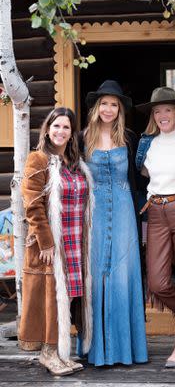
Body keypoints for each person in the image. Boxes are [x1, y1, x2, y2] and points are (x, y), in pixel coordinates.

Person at [19, 107, 94, 376]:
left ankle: (62, 352)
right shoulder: (38, 160)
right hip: (50, 244)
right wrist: (46, 242)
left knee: (68, 296)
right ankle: (48, 353)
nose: (60, 131)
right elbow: (33, 205)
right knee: (51, 297)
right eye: (56, 126)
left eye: (66, 127)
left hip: (74, 241)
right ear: (47, 129)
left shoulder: (75, 163)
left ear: (72, 132)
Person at [81, 80, 148, 366]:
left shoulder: (130, 138)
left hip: (123, 214)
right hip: (93, 213)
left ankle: (127, 349)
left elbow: (146, 173)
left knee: (123, 275)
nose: (108, 109)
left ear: (120, 110)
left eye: (114, 105)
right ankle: (94, 348)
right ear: (96, 108)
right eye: (104, 104)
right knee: (95, 276)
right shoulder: (82, 138)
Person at [136, 87, 175, 368]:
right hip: (156, 211)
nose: (163, 115)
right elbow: (143, 175)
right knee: (158, 283)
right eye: (157, 110)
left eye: (168, 109)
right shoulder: (145, 144)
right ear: (153, 115)